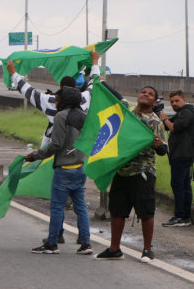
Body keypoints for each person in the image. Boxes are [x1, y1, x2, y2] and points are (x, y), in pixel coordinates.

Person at [7, 50, 100, 244]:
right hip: (79, 161)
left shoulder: (54, 106)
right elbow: (93, 84)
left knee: (56, 202)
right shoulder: (85, 101)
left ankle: (55, 237)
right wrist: (95, 62)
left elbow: (28, 90)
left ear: (61, 92)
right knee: (80, 206)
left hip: (56, 159)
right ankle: (85, 242)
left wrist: (13, 73)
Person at [95, 86, 168, 262]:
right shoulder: (127, 109)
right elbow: (114, 94)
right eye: (144, 92)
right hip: (122, 170)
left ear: (154, 102)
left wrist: (159, 146)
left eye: (150, 94)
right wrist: (99, 80)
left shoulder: (156, 123)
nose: (146, 94)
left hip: (143, 172)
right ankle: (114, 249)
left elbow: (163, 149)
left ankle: (147, 250)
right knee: (117, 211)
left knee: (145, 211)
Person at [26, 87, 93, 255]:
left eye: (57, 100)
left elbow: (55, 144)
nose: (56, 103)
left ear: (66, 100)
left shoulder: (61, 117)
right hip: (80, 168)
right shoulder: (84, 117)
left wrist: (35, 155)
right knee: (81, 208)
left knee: (57, 207)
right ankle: (86, 243)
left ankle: (52, 243)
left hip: (64, 170)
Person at [157, 90, 194, 227]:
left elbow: (175, 127)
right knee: (184, 186)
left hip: (182, 155)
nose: (174, 104)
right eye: (172, 101)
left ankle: (180, 216)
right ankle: (184, 216)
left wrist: (164, 118)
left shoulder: (187, 112)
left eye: (177, 101)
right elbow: (166, 126)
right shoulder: (181, 113)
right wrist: (160, 117)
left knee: (178, 185)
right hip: (181, 155)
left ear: (184, 100)